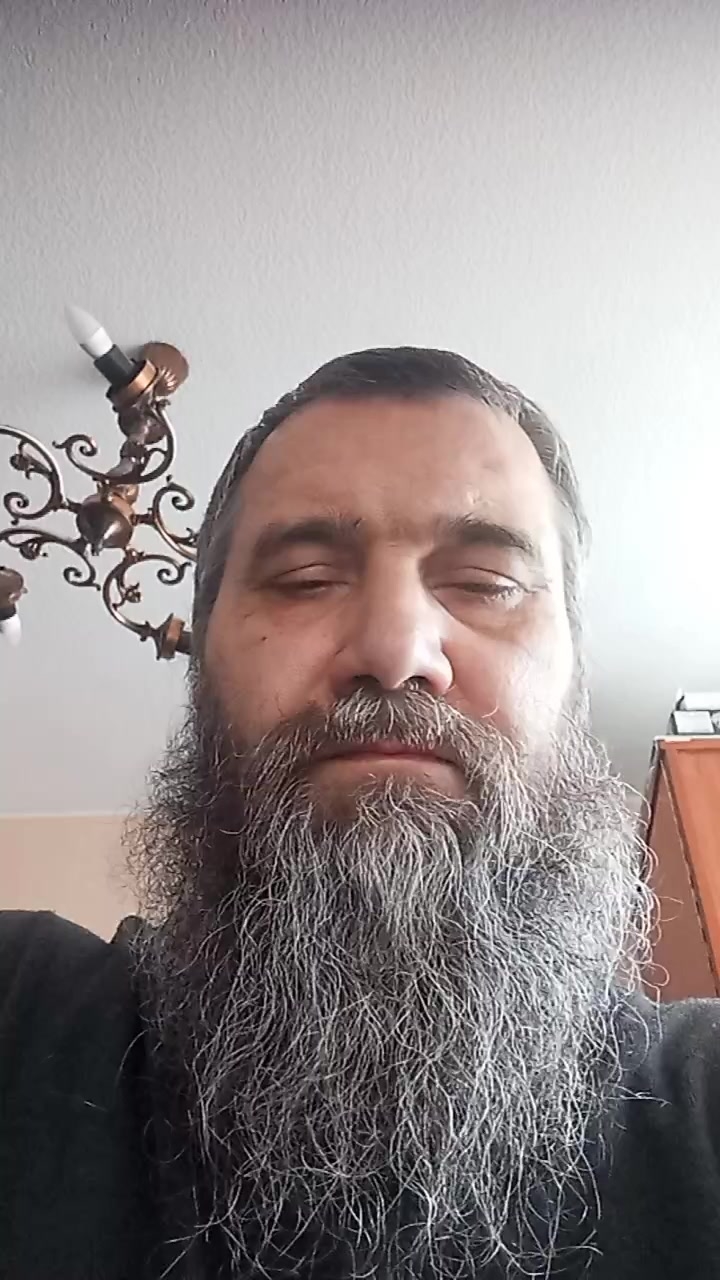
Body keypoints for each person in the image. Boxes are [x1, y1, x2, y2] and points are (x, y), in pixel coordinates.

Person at [1, 347, 719, 1280]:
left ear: (573, 684)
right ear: (202, 669)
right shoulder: (21, 1017)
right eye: (305, 578)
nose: (395, 648)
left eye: (486, 583)